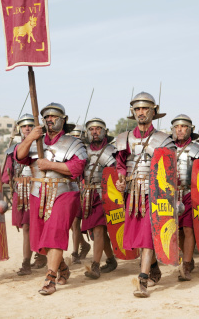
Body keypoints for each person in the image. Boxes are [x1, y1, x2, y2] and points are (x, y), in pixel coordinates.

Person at [15, 102, 87, 295]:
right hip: (38, 191)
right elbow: (19, 156)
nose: (49, 120)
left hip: (64, 192)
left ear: (63, 120)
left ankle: (50, 277)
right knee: (39, 240)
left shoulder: (73, 143)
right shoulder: (36, 141)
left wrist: (50, 165)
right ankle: (62, 267)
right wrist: (30, 137)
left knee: (55, 233)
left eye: (54, 116)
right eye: (46, 117)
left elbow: (77, 168)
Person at [115, 92, 175, 297]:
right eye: (137, 109)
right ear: (133, 112)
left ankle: (142, 279)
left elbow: (169, 171)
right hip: (133, 194)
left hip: (155, 194)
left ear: (153, 111)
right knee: (140, 237)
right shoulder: (124, 138)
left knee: (148, 234)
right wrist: (121, 178)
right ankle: (154, 267)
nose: (141, 112)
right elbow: (120, 165)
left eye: (145, 108)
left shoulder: (164, 140)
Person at [171, 114, 199, 281]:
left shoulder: (198, 150)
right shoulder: (167, 148)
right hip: (171, 194)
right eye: (177, 127)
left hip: (190, 193)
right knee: (177, 230)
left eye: (184, 126)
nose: (180, 130)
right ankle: (188, 259)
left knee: (188, 229)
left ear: (190, 129)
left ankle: (185, 265)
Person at [81, 118, 118, 279]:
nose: (94, 132)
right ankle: (110, 260)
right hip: (88, 195)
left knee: (98, 229)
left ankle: (95, 266)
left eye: (98, 128)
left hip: (105, 194)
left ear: (104, 131)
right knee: (98, 231)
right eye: (91, 129)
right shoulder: (82, 150)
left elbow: (116, 174)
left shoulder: (112, 151)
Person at [2, 114, 37, 275]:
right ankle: (26, 262)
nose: (27, 128)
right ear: (20, 129)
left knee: (38, 226)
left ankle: (40, 256)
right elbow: (6, 175)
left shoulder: (40, 148)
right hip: (20, 191)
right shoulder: (12, 150)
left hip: (38, 189)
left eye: (30, 125)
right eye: (24, 126)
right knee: (26, 227)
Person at [68, 124, 92, 264]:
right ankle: (83, 245)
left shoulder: (88, 153)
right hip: (73, 189)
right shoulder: (69, 153)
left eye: (78, 136)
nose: (76, 139)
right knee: (73, 223)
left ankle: (75, 253)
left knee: (77, 222)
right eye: (74, 136)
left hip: (88, 190)